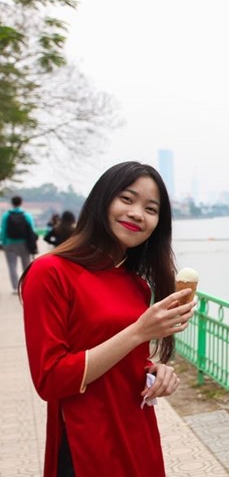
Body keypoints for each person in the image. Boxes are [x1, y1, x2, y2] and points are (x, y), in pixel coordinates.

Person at [20, 161, 197, 476]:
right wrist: (139, 332)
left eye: (151, 209)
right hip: (86, 443)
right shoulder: (50, 273)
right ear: (102, 200)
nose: (137, 213)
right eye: (127, 200)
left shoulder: (137, 284)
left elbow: (124, 359)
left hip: (137, 431)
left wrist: (154, 371)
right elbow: (50, 380)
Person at [1, 195, 36, 293]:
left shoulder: (6, 215)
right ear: (21, 202)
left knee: (12, 265)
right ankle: (27, 285)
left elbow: (3, 230)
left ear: (12, 203)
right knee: (26, 265)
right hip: (24, 243)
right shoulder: (27, 215)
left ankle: (15, 288)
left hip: (9, 243)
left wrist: (3, 242)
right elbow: (32, 230)